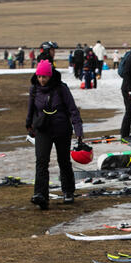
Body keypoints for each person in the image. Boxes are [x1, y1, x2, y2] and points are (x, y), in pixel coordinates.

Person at [26, 60, 83, 207]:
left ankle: (68, 191)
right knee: (41, 161)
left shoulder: (61, 89)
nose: (42, 80)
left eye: (44, 77)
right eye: (39, 76)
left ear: (50, 76)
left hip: (61, 129)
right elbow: (31, 109)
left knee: (63, 161)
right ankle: (40, 195)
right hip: (43, 129)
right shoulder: (34, 89)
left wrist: (78, 131)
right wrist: (29, 125)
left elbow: (72, 110)